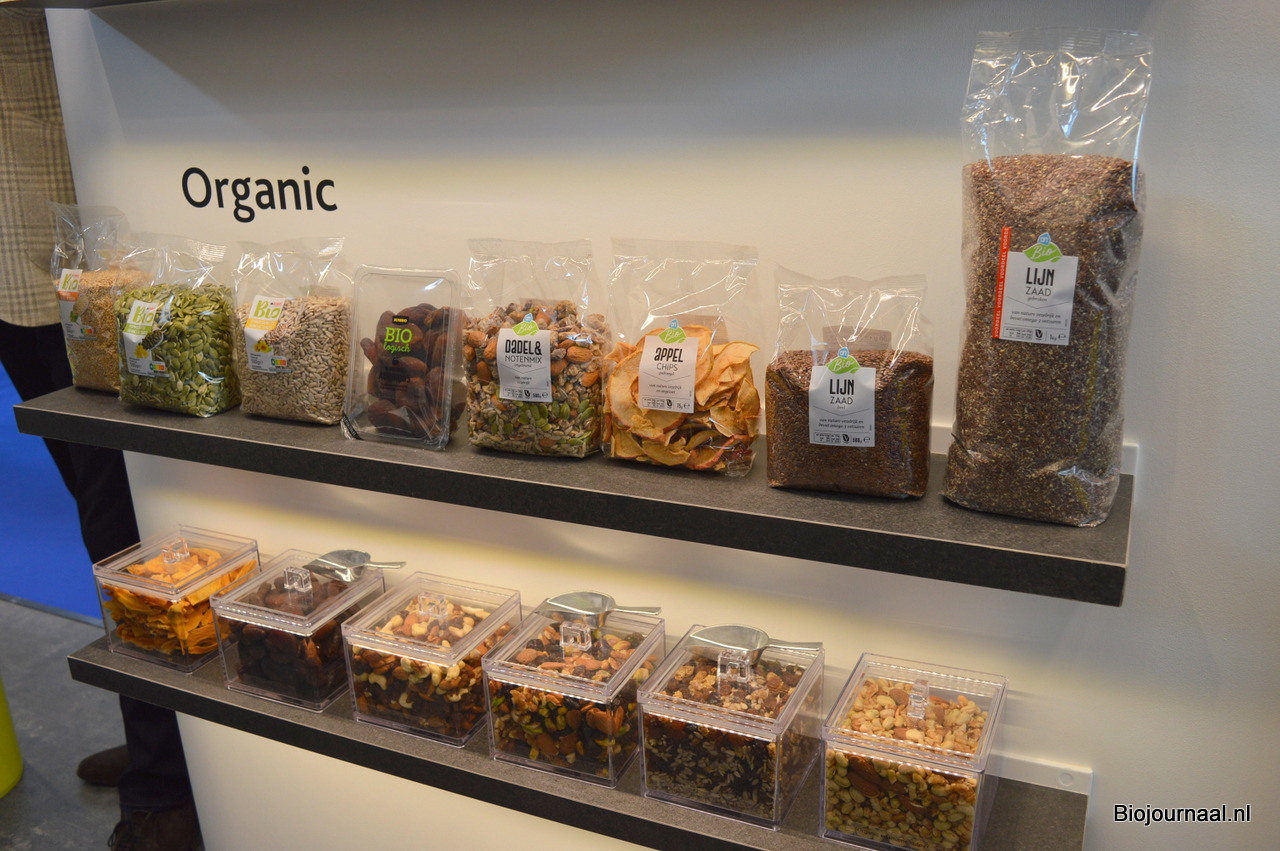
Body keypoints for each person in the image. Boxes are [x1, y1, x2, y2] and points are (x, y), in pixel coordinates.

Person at [0, 9, 201, 850]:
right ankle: (170, 739)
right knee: (110, 533)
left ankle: (171, 783)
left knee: (130, 530)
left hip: (86, 269)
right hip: (20, 272)